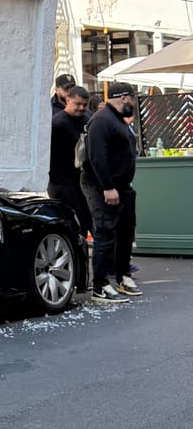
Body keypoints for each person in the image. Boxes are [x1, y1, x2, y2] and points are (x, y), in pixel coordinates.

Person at [80, 82, 141, 302]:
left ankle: (123, 276)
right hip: (103, 187)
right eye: (133, 98)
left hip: (122, 186)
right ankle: (100, 286)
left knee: (125, 232)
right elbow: (96, 157)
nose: (134, 102)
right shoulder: (102, 120)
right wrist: (107, 187)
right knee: (105, 232)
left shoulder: (116, 120)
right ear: (124, 98)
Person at [48, 86, 92, 241]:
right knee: (72, 226)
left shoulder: (87, 118)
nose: (81, 108)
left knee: (88, 222)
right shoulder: (57, 124)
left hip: (81, 181)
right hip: (61, 182)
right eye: (77, 104)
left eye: (84, 105)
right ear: (67, 100)